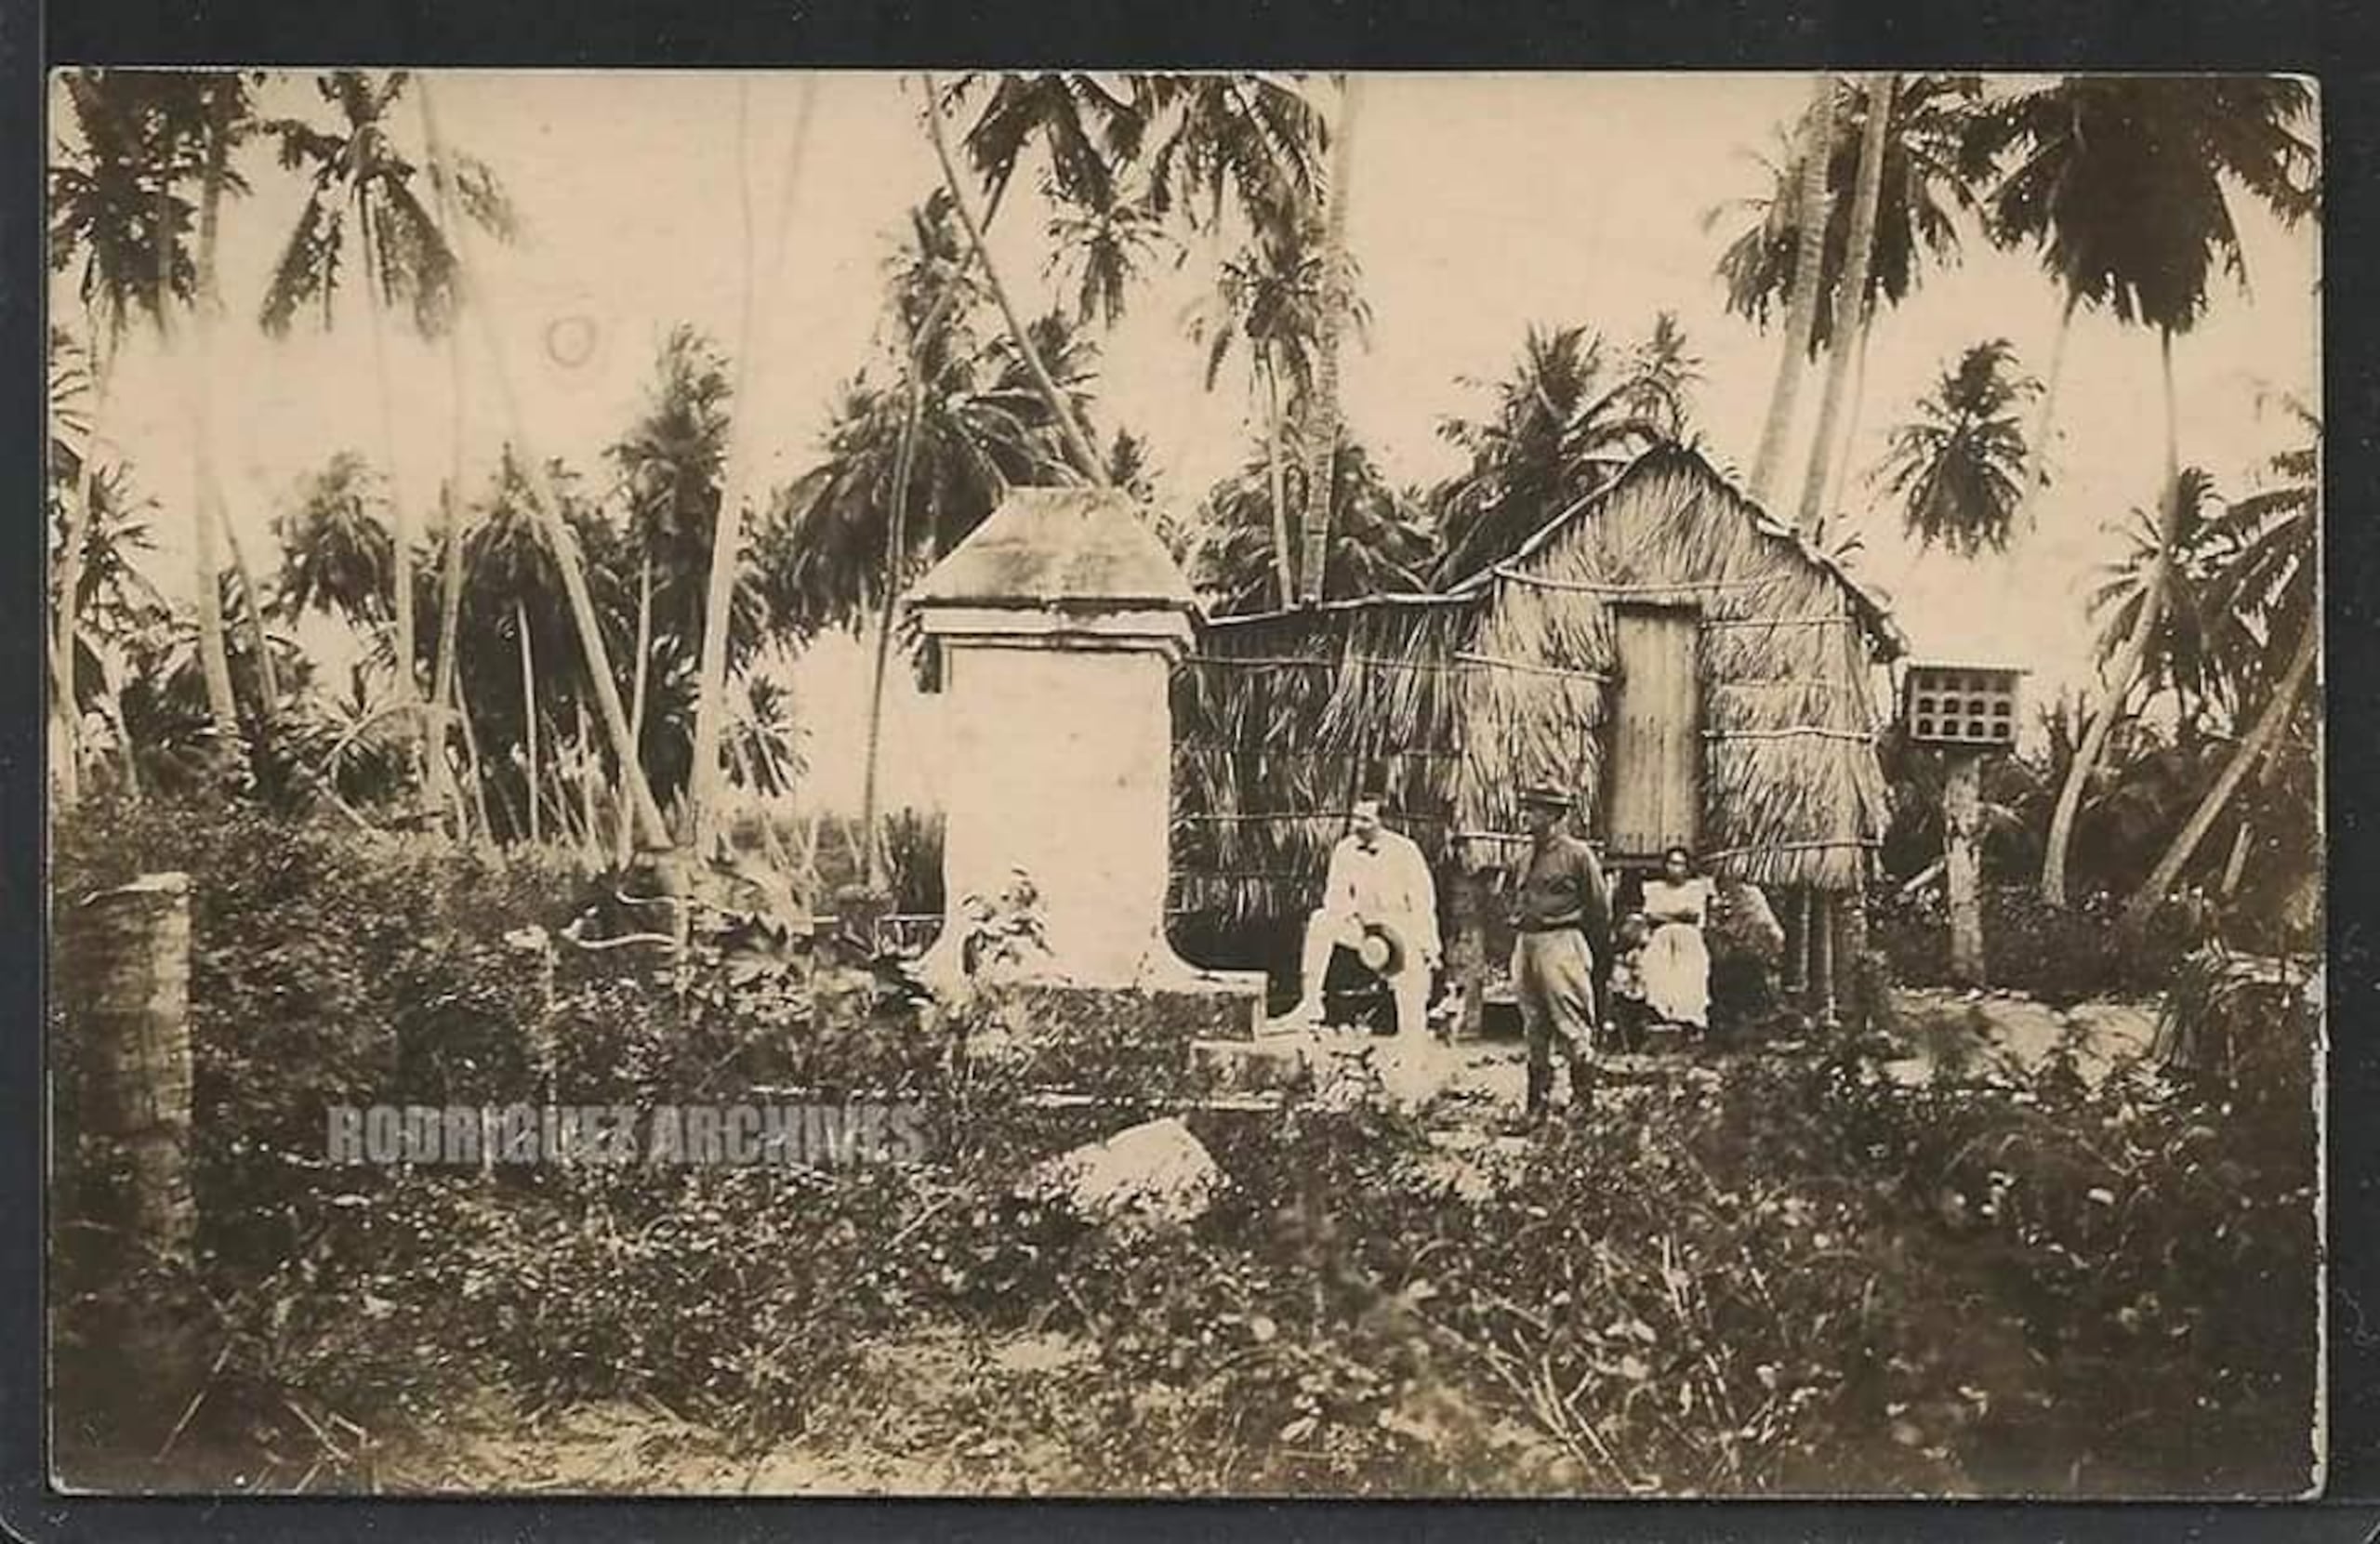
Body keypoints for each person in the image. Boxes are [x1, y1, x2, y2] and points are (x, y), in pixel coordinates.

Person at [1284, 789, 1441, 1038]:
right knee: (1320, 921)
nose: (1357, 825)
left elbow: (1422, 901)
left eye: (1366, 820)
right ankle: (1311, 1004)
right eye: (1355, 818)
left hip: (1399, 928)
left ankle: (1411, 1030)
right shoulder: (1345, 850)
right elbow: (1336, 897)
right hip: (1362, 927)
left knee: (1412, 974)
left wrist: (1427, 945)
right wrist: (1353, 918)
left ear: (1383, 823)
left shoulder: (1405, 851)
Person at [1506, 782, 1610, 1128]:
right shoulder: (1522, 857)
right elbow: (1515, 897)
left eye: (1535, 809)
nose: (1527, 815)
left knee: (1571, 1022)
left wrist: (1595, 955)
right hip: (1528, 943)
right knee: (1533, 1025)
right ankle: (1537, 1106)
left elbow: (1598, 908)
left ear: (1554, 815)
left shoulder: (1577, 855)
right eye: (1526, 807)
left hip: (1561, 941)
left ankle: (1584, 1102)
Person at [1640, 845, 1715, 1034]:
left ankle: (1690, 1020)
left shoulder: (1695, 888)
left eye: (1680, 864)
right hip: (1662, 938)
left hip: (1688, 938)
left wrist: (1665, 915)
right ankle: (1664, 1016)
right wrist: (1676, 915)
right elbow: (1651, 916)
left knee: (1689, 975)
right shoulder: (1655, 889)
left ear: (1687, 867)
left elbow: (1693, 916)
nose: (1675, 868)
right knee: (1656, 969)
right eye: (1672, 863)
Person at [1605, 911, 1653, 1053]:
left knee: (1635, 1014)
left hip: (1634, 989)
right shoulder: (1620, 957)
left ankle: (1634, 1040)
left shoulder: (1638, 955)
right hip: (1625, 987)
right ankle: (1619, 1040)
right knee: (1622, 1012)